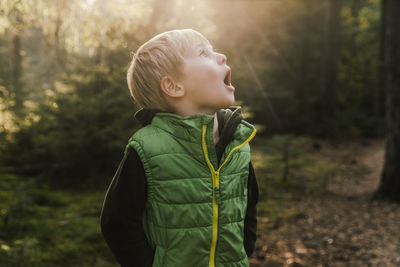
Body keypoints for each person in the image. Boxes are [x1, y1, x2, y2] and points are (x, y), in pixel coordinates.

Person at [100, 29, 259, 267]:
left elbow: (249, 204)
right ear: (174, 87)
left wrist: (243, 250)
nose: (222, 56)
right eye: (204, 53)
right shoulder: (147, 149)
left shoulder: (238, 143)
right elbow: (117, 221)